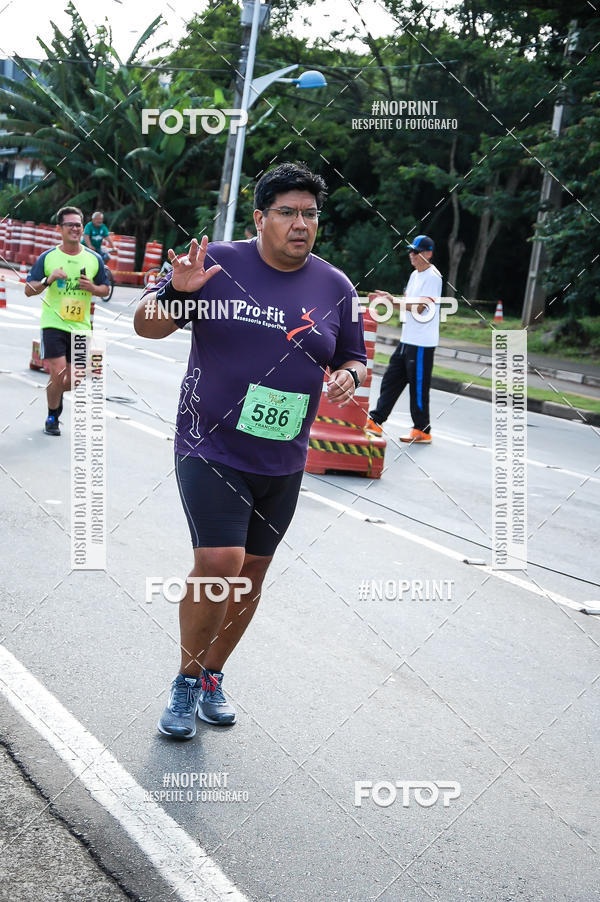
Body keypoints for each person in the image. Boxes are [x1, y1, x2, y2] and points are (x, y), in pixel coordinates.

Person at [134, 162, 367, 739]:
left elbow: (355, 357)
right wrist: (176, 292)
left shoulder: (336, 287)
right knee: (221, 562)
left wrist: (349, 375)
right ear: (260, 218)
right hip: (209, 442)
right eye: (287, 212)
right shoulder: (217, 264)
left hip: (283, 457)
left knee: (252, 572)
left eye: (310, 213)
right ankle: (186, 680)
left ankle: (213, 675)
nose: (300, 223)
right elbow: (145, 326)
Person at [25, 205, 110, 436]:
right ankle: (52, 416)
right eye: (70, 225)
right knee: (59, 372)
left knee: (74, 380)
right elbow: (29, 289)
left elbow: (105, 288)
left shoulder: (94, 259)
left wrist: (92, 288)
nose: (75, 228)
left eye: (78, 225)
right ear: (59, 229)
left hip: (80, 327)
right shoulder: (48, 257)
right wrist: (48, 279)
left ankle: (56, 394)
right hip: (53, 323)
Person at [366, 234, 443, 443]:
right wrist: (390, 300)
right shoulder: (414, 275)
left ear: (428, 254)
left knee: (418, 386)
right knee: (391, 379)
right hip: (408, 338)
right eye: (411, 251)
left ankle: (422, 430)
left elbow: (420, 307)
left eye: (416, 252)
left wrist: (391, 301)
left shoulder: (433, 277)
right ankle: (376, 421)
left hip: (422, 342)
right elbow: (409, 303)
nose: (412, 255)